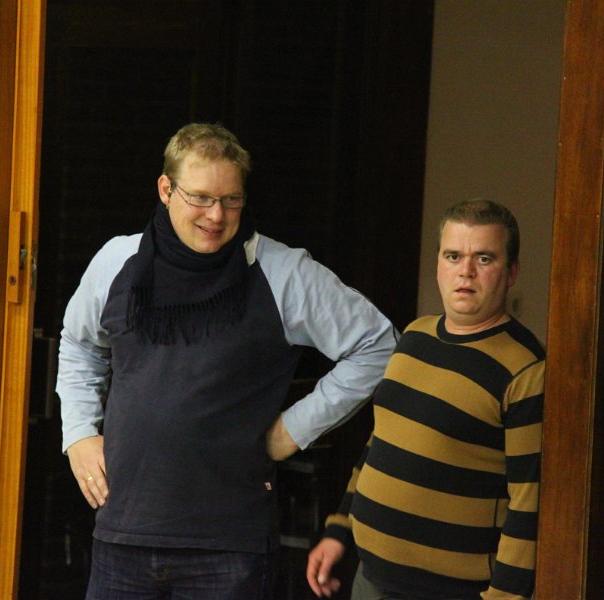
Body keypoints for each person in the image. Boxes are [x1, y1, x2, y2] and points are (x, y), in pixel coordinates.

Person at [56, 122, 397, 599]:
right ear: (165, 190)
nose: (216, 215)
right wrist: (79, 433)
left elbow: (378, 344)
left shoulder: (281, 272)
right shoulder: (117, 261)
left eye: (231, 200)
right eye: (200, 198)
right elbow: (79, 345)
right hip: (123, 533)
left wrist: (293, 430)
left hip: (229, 547)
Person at [306, 199, 545, 600]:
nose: (465, 271)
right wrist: (339, 528)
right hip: (369, 578)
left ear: (511, 272)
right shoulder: (415, 336)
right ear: (438, 264)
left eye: (484, 258)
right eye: (453, 256)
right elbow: (381, 442)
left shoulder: (526, 370)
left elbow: (530, 503)